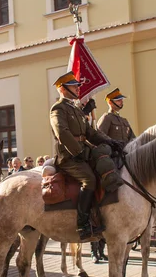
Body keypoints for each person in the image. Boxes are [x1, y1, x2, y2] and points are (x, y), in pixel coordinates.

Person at [50, 71, 123, 240]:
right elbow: (62, 132)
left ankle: (101, 215)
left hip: (84, 152)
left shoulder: (75, 109)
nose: (77, 87)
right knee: (89, 179)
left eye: (77, 85)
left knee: (106, 171)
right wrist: (78, 151)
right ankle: (82, 223)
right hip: (69, 156)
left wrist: (111, 142)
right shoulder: (58, 108)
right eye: (74, 85)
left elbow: (91, 133)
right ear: (62, 89)